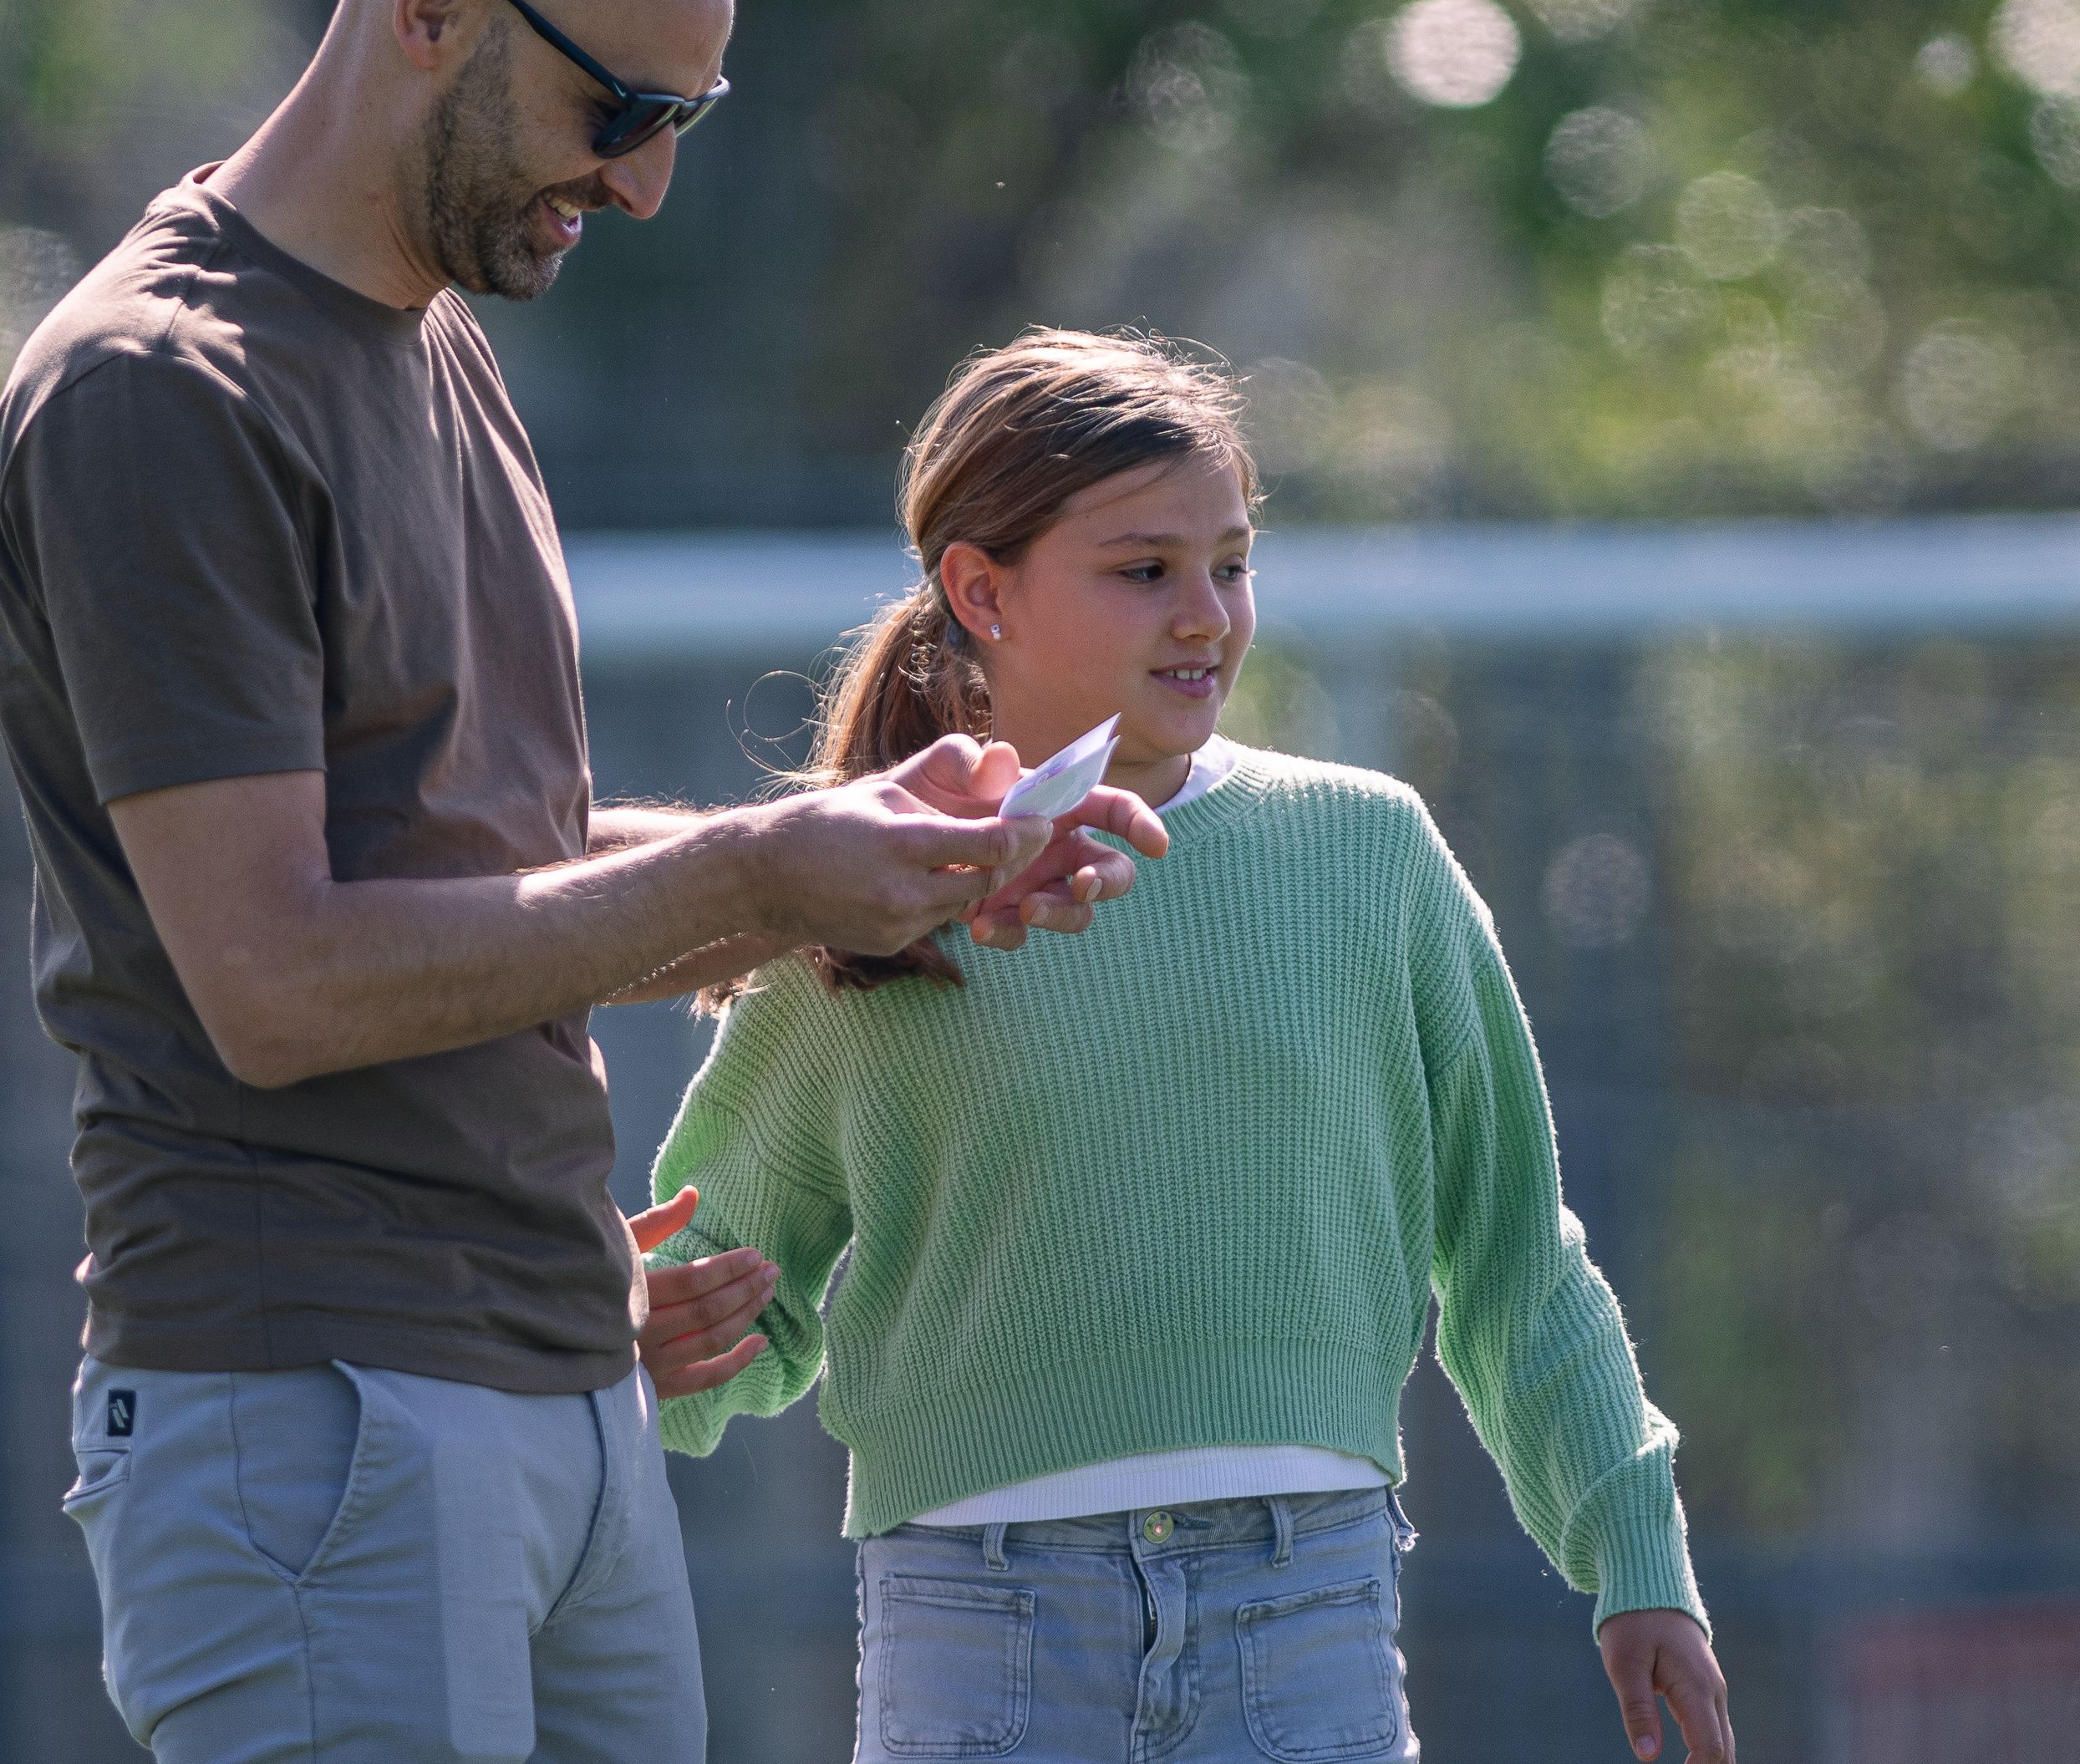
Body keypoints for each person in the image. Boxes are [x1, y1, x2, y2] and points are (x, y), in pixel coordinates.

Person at [0, 0, 1165, 1764]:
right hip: (317, 1415)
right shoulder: (161, 395)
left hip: (547, 1379)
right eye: (618, 111)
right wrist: (752, 883)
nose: (641, 187)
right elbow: (272, 984)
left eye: (685, 123)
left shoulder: (439, 345)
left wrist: (870, 866)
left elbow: (488, 866)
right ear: (434, 4)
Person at [640, 328, 1735, 1764]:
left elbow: (1516, 1257)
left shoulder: (1368, 855)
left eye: (1232, 563)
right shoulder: (866, 890)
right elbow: (732, 1294)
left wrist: (1635, 1551)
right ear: (982, 590)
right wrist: (654, 1343)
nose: (1206, 614)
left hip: (1311, 1606)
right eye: (1145, 570)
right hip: (979, 1624)